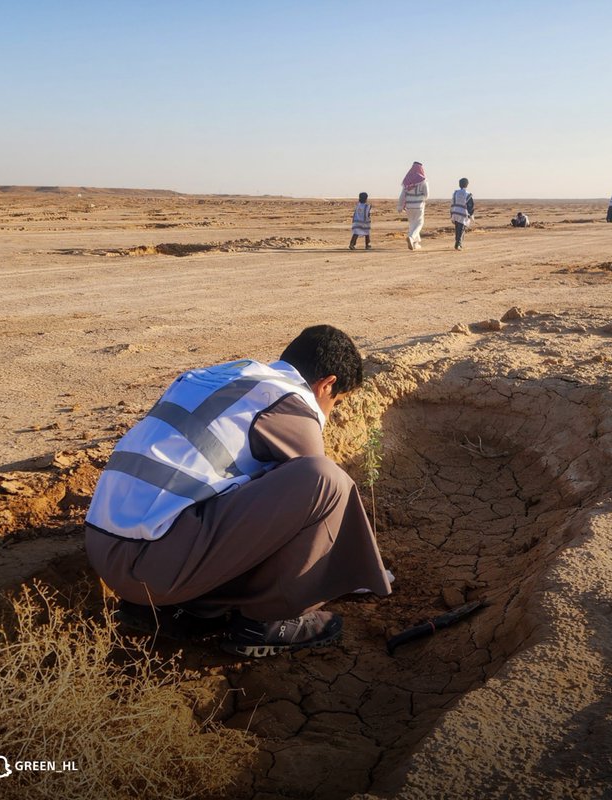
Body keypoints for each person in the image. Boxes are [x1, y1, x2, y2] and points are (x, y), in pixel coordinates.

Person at [84, 325, 393, 657]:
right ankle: (267, 619)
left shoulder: (221, 375)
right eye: (338, 402)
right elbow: (316, 505)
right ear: (327, 384)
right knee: (325, 480)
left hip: (105, 549)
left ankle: (186, 608)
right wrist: (361, 571)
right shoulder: (291, 404)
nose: (331, 413)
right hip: (151, 568)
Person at [397, 162, 429, 250]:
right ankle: (411, 237)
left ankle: (415, 244)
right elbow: (427, 195)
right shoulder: (423, 180)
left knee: (412, 224)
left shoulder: (407, 180)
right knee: (419, 223)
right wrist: (422, 199)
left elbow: (402, 195)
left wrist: (399, 206)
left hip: (409, 206)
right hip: (418, 206)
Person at [450, 177, 475, 250]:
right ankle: (458, 244)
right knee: (461, 229)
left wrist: (451, 213)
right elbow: (470, 206)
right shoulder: (468, 194)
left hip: (455, 213)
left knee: (457, 229)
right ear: (467, 185)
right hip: (463, 214)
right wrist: (471, 215)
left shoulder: (455, 193)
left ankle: (458, 242)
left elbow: (452, 203)